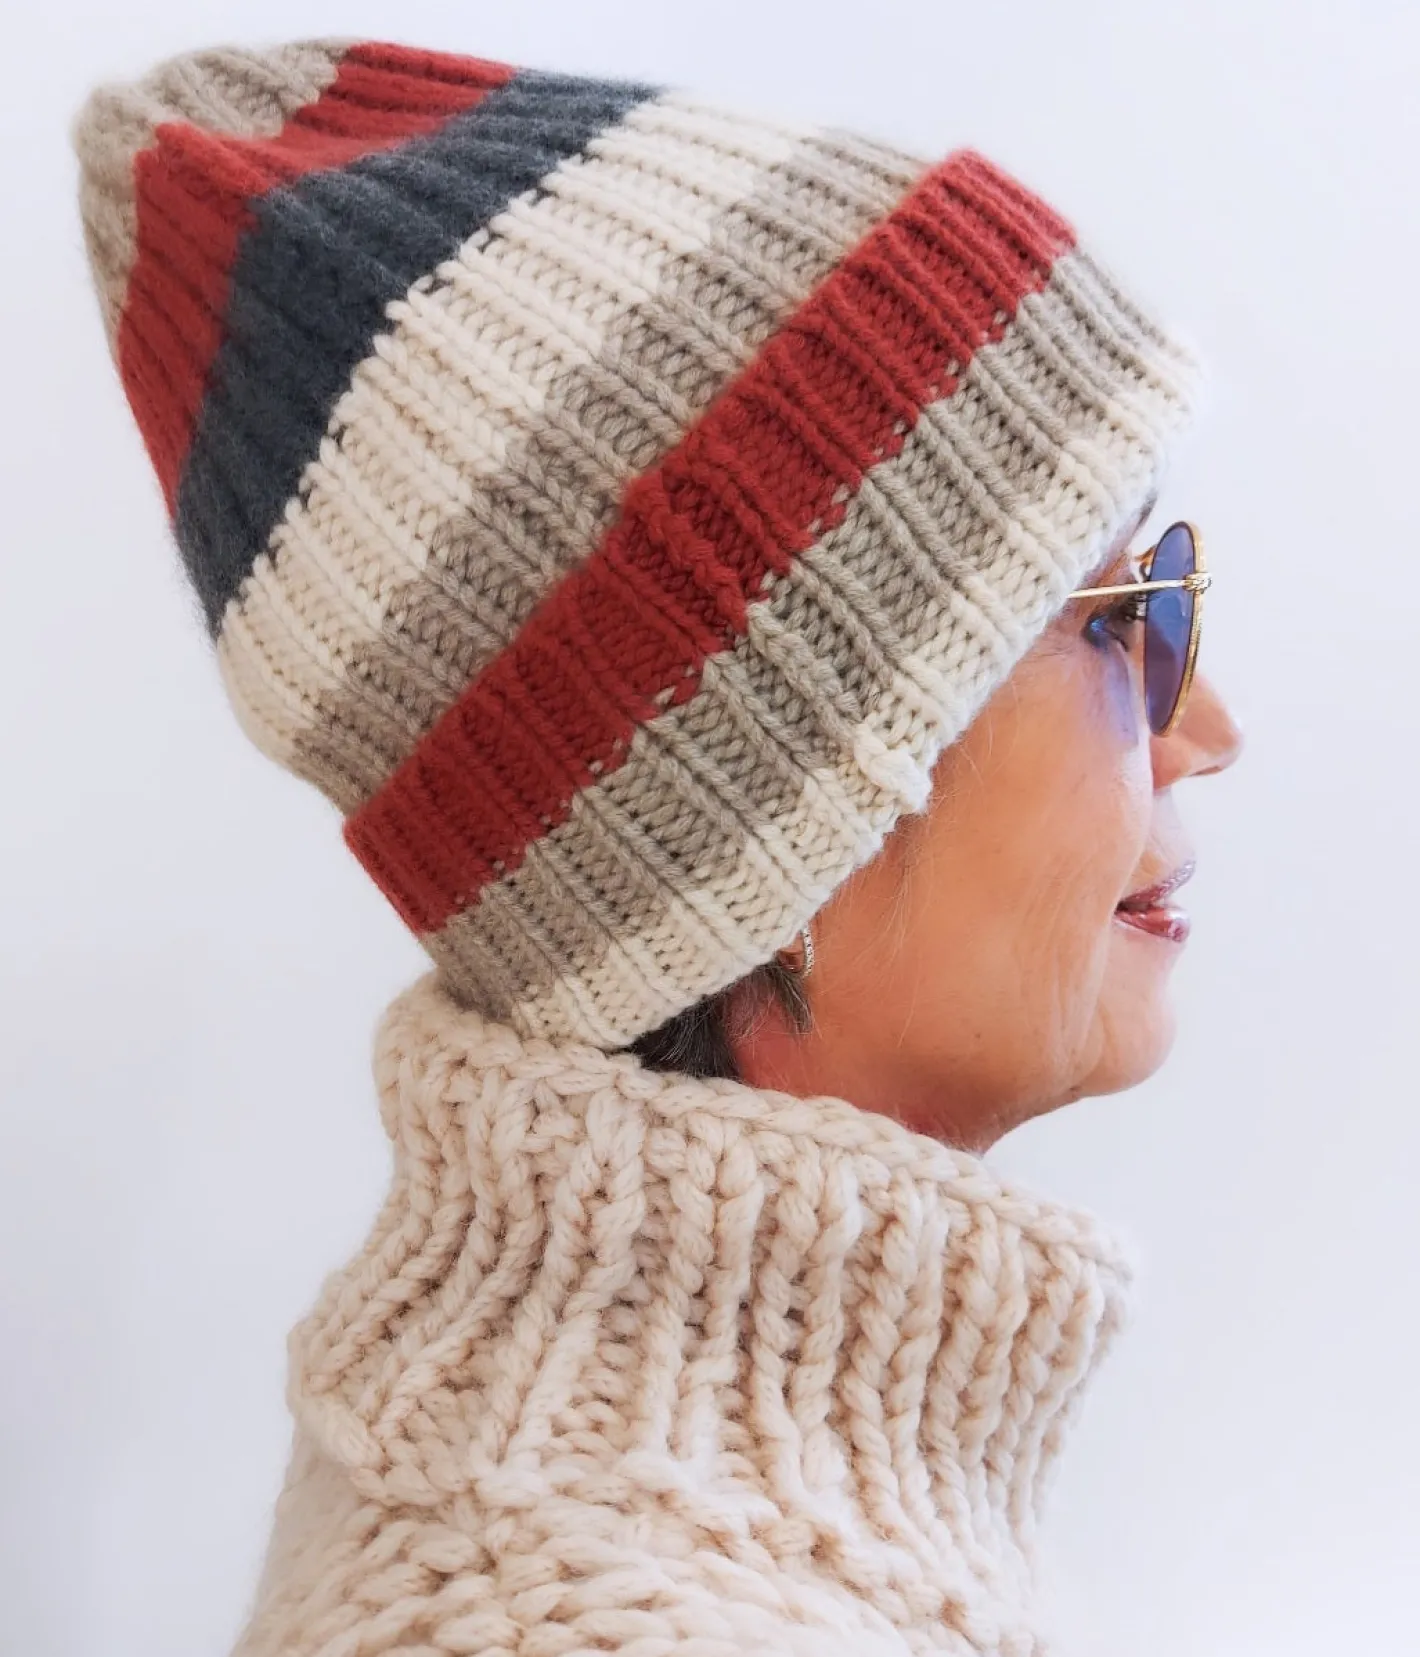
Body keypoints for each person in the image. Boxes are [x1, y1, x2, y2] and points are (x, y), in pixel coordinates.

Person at [73, 37, 1242, 1657]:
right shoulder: (573, 1616)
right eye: (1128, 618)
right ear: (778, 812)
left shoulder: (736, 1495)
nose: (1207, 728)